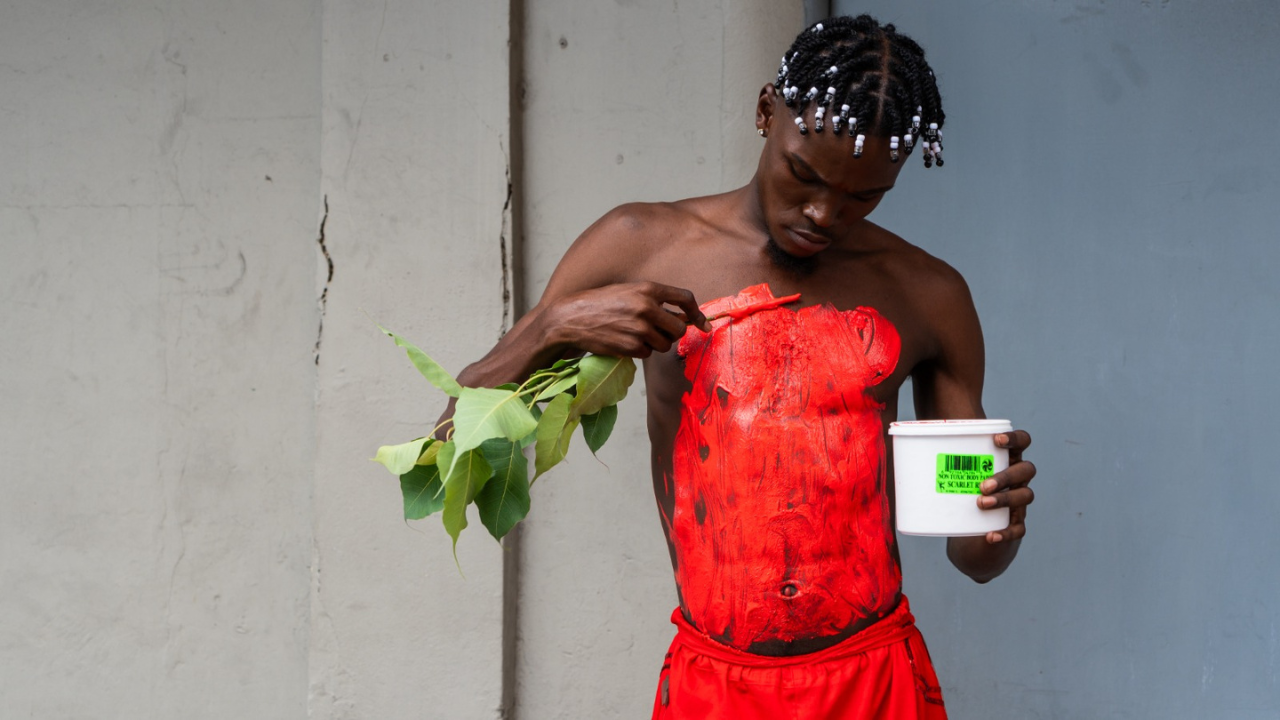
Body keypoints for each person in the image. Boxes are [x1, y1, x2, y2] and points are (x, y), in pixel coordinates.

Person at [447, 15, 1036, 719]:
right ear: (765, 112)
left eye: (862, 197)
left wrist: (996, 524)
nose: (822, 213)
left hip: (874, 680)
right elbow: (452, 440)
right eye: (803, 174)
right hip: (716, 683)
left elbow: (975, 559)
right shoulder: (640, 245)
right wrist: (553, 327)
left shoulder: (928, 294)